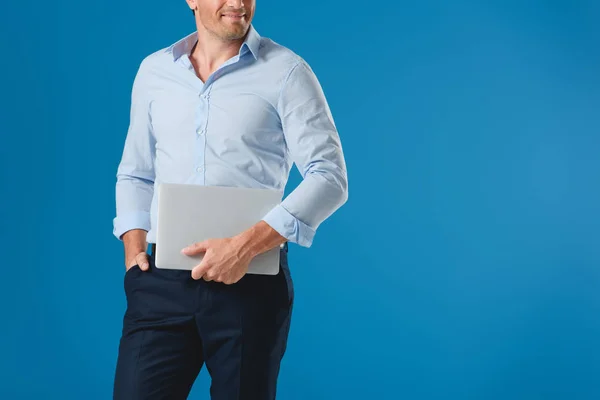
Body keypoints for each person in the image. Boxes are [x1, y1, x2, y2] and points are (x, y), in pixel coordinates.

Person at [111, 0, 348, 398]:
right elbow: (136, 171)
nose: (238, 3)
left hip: (251, 283)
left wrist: (243, 247)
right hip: (161, 284)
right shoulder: (154, 72)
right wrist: (134, 248)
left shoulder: (287, 72)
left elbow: (330, 177)